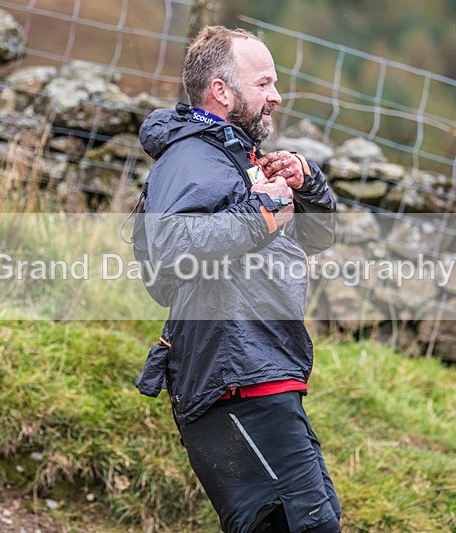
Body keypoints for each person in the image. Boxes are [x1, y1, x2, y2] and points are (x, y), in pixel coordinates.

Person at [134, 25, 341, 533]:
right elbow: (168, 251)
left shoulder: (233, 157)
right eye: (264, 83)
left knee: (312, 519)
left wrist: (305, 184)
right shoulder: (192, 158)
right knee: (302, 525)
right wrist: (259, 215)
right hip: (234, 378)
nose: (277, 96)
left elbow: (314, 237)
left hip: (262, 370)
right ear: (221, 91)